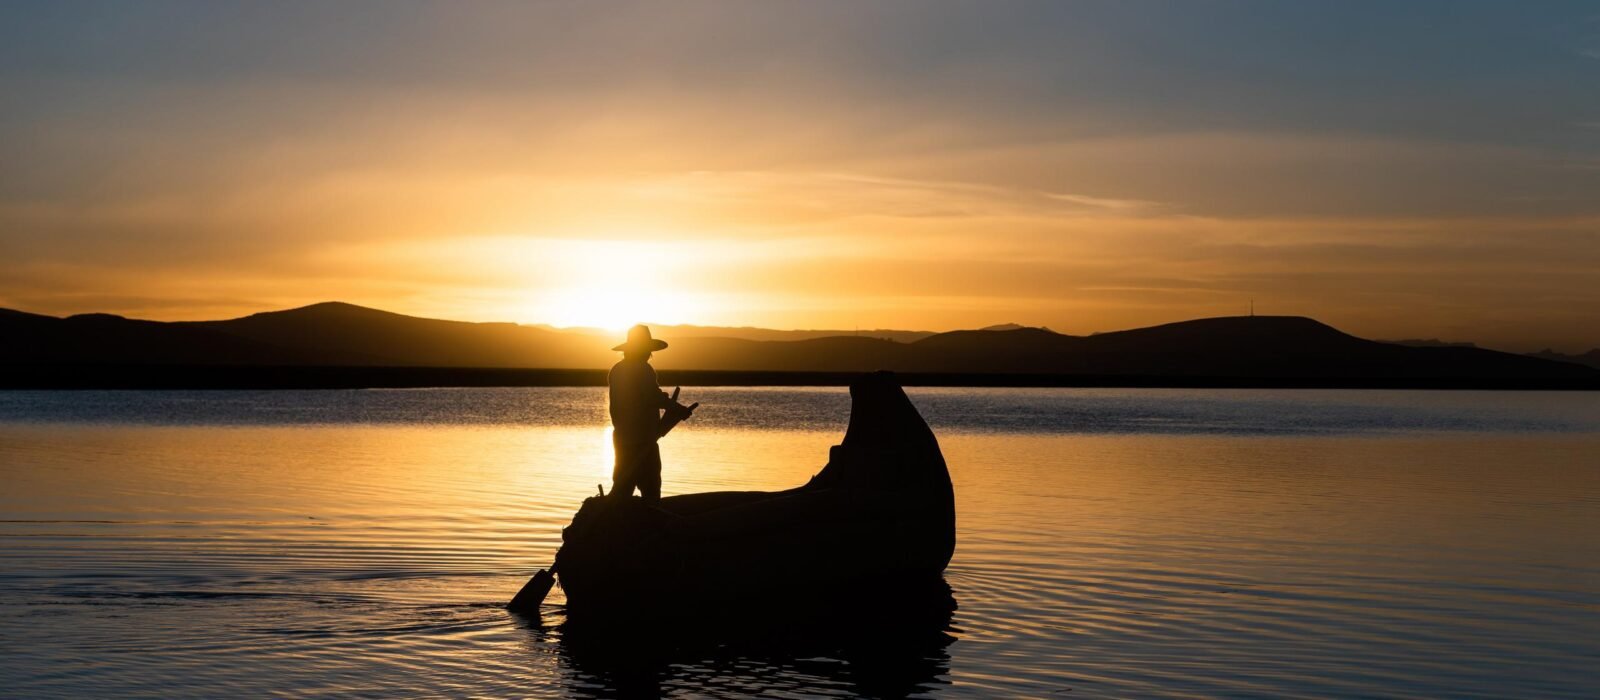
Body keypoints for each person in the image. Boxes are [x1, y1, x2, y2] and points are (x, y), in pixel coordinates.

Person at [608, 324, 697, 503]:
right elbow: (652, 397)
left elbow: (644, 397)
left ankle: (618, 521)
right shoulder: (642, 369)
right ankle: (649, 523)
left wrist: (668, 404)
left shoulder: (617, 369)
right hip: (642, 440)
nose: (648, 354)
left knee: (622, 487)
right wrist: (678, 409)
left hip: (622, 438)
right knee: (651, 488)